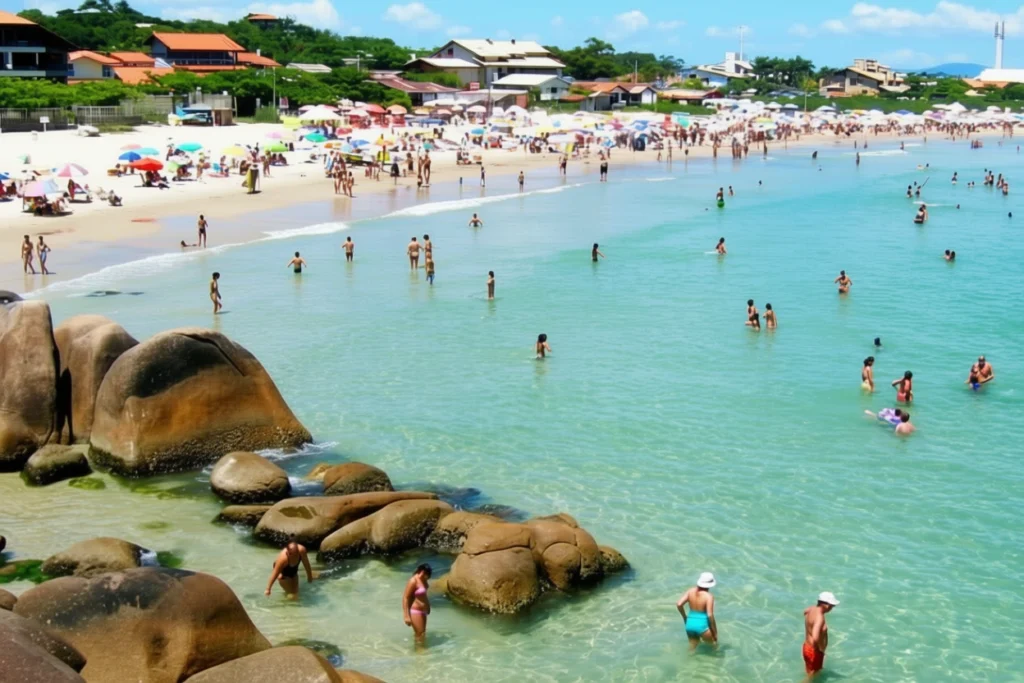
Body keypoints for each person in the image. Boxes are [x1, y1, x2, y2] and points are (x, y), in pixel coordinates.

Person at [803, 591, 839, 679]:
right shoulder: (819, 617)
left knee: (809, 673)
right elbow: (815, 637)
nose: (832, 608)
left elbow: (805, 612)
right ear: (825, 605)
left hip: (806, 647)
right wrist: (818, 651)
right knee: (812, 677)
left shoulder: (811, 609)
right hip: (813, 651)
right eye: (831, 605)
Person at [403, 563, 432, 643]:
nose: (428, 577)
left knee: (422, 634)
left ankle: (419, 652)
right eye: (427, 575)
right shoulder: (413, 581)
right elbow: (406, 597)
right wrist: (406, 616)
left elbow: (424, 595)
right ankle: (420, 653)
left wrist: (428, 606)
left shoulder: (423, 580)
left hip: (423, 611)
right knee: (420, 635)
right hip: (416, 611)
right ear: (422, 572)